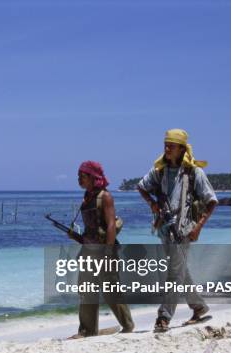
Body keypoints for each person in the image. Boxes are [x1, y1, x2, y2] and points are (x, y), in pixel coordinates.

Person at [137, 129, 218, 332]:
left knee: (174, 273)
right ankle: (199, 307)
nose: (167, 148)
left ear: (182, 148)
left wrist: (199, 227)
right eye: (165, 144)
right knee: (180, 271)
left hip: (184, 231)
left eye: (171, 145)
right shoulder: (159, 171)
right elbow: (141, 186)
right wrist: (152, 204)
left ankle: (164, 317)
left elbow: (211, 201)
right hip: (165, 230)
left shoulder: (194, 173)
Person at [69, 161, 134, 338]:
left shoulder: (105, 197)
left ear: (92, 177)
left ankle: (128, 325)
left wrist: (108, 252)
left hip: (105, 251)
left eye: (81, 175)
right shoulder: (87, 197)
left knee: (111, 291)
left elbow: (111, 225)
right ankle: (87, 331)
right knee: (86, 291)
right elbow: (91, 230)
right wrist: (76, 237)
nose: (78, 179)